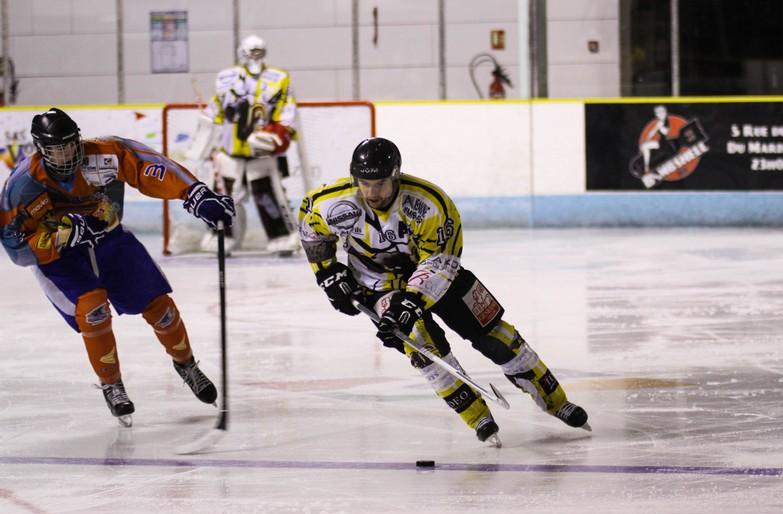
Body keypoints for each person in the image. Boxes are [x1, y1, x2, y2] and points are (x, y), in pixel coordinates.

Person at [298, 137, 589, 446]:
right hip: (379, 284)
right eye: (365, 183)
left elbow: (441, 261)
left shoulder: (427, 203)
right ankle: (477, 416)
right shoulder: (331, 202)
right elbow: (310, 227)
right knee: (422, 345)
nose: (372, 192)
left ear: (395, 176)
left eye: (380, 183)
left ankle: (556, 401)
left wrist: (411, 301)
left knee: (497, 336)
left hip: (439, 277)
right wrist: (327, 273)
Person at [0, 108, 235, 426]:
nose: (67, 153)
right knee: (92, 309)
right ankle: (112, 384)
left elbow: (147, 165)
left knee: (160, 306)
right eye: (57, 149)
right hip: (60, 256)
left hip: (108, 238)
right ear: (41, 149)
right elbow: (16, 248)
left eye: (71, 144)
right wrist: (60, 237)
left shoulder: (103, 154)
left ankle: (186, 364)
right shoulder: (22, 186)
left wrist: (194, 193)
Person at [185, 34, 299, 255]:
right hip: (230, 152)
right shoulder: (226, 78)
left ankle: (281, 237)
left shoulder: (279, 78)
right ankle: (222, 237)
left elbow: (286, 114)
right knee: (222, 197)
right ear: (242, 53)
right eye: (250, 51)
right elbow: (215, 112)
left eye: (258, 51)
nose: (254, 56)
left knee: (267, 196)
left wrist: (278, 136)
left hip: (261, 153)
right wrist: (201, 143)